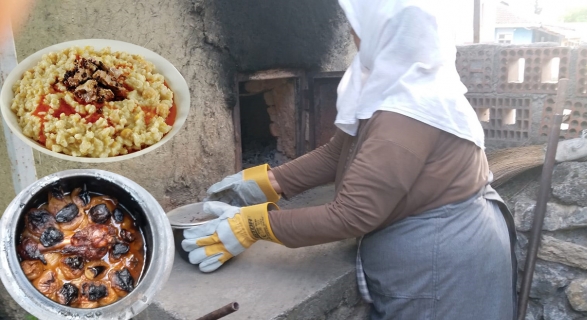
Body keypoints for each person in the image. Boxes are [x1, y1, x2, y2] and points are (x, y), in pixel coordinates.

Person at [181, 0, 517, 319]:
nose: (352, 34)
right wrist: (264, 183)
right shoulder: (386, 79)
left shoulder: (414, 106)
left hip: (440, 265)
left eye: (357, 24)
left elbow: (353, 214)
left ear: (386, 29)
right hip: (424, 245)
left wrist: (251, 225)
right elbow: (336, 153)